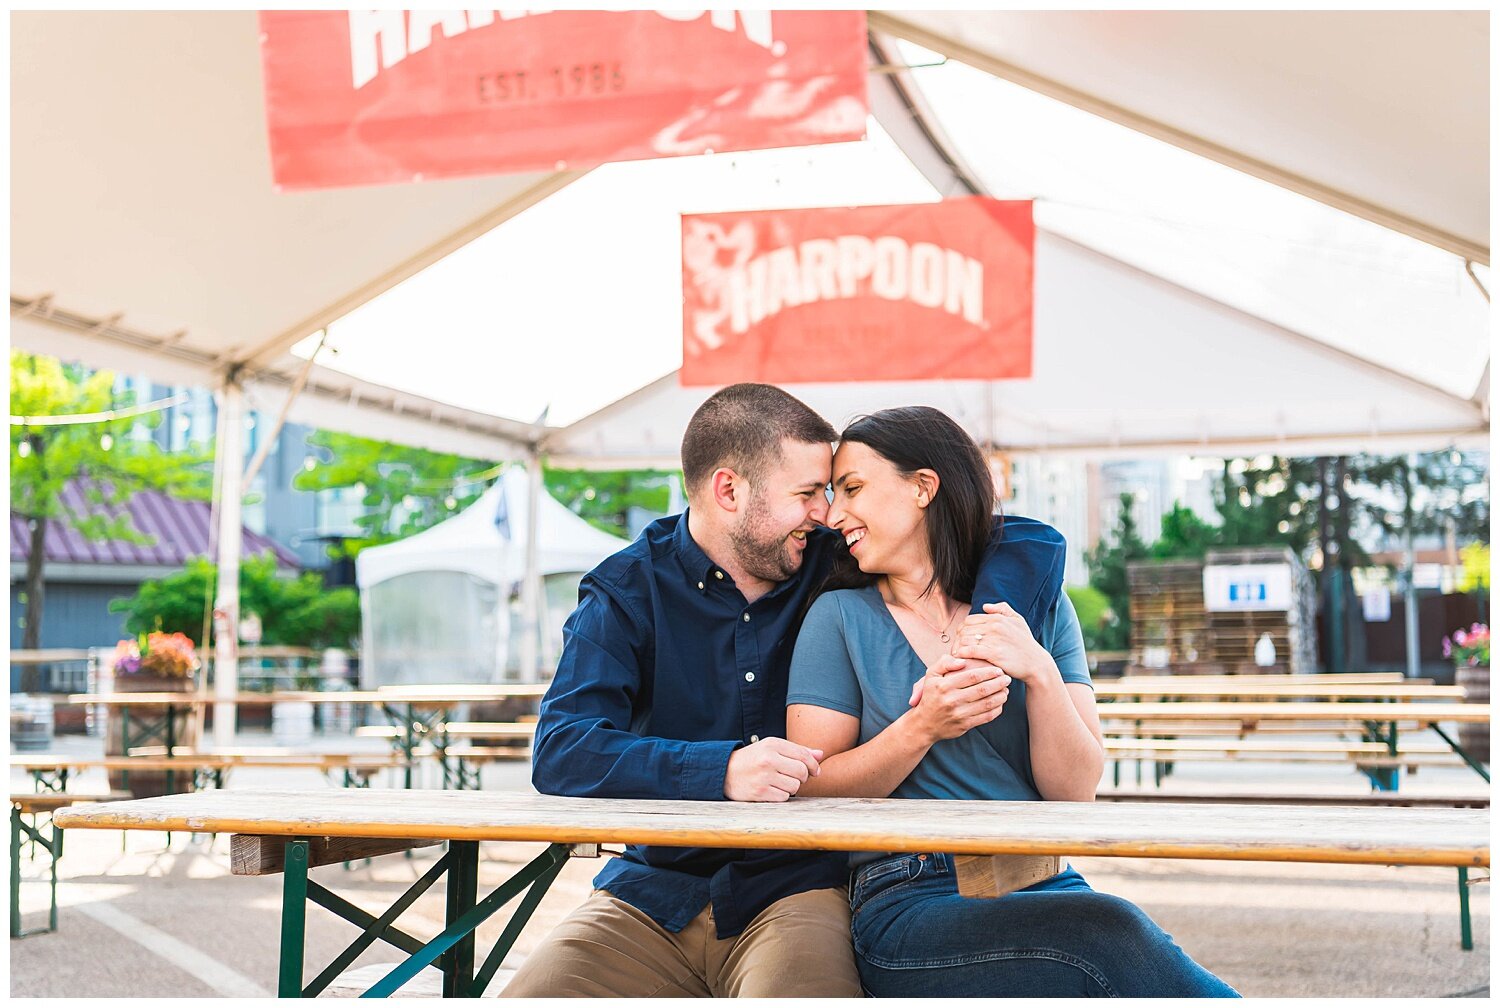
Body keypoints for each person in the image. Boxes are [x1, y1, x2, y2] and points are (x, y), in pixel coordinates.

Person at [502, 384, 1068, 998]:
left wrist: (979, 637)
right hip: (652, 893)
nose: (826, 513)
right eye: (807, 494)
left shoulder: (831, 559)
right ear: (729, 491)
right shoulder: (627, 590)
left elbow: (1027, 540)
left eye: (833, 493)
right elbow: (562, 750)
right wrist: (721, 770)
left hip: (795, 886)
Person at [786, 406, 1240, 998]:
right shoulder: (839, 617)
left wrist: (1041, 674)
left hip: (1040, 877)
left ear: (923, 487)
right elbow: (808, 787)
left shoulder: (1038, 609)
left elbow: (1074, 791)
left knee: (1111, 934)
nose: (834, 514)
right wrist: (921, 726)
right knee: (1110, 934)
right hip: (909, 897)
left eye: (852, 489)